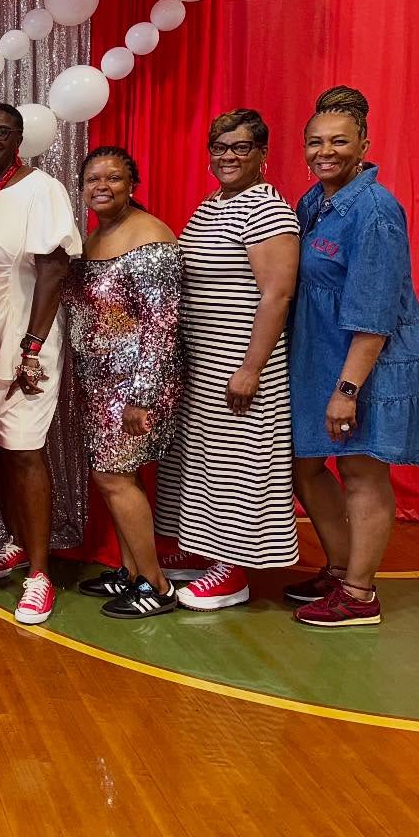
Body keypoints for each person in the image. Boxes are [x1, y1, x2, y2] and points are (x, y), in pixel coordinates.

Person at [287, 86, 419, 626]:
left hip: (369, 360)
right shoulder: (315, 200)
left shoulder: (375, 211)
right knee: (306, 466)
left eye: (339, 141)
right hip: (324, 354)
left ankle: (359, 595)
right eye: (315, 142)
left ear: (364, 145)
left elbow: (374, 312)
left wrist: (347, 390)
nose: (325, 151)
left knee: (360, 472)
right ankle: (340, 569)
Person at [155, 109, 300, 610]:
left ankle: (234, 571)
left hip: (240, 357)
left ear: (262, 154)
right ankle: (203, 551)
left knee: (237, 464)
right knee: (202, 464)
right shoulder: (214, 203)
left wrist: (251, 368)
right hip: (203, 356)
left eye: (240, 148)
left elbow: (277, 295)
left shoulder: (268, 209)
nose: (228, 157)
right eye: (220, 147)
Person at [0, 102, 81, 625]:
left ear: (18, 139)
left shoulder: (40, 188)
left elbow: (53, 269)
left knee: (25, 448)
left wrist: (31, 345)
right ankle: (17, 542)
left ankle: (40, 575)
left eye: (2, 132)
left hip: (26, 330)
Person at [64, 147, 184, 619]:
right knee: (113, 478)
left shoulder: (150, 237)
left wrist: (142, 396)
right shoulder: (95, 238)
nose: (102, 186)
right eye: (93, 178)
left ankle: (155, 585)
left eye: (113, 177)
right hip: (99, 382)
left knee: (114, 478)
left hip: (135, 383)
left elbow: (162, 325)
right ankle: (131, 572)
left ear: (132, 184)